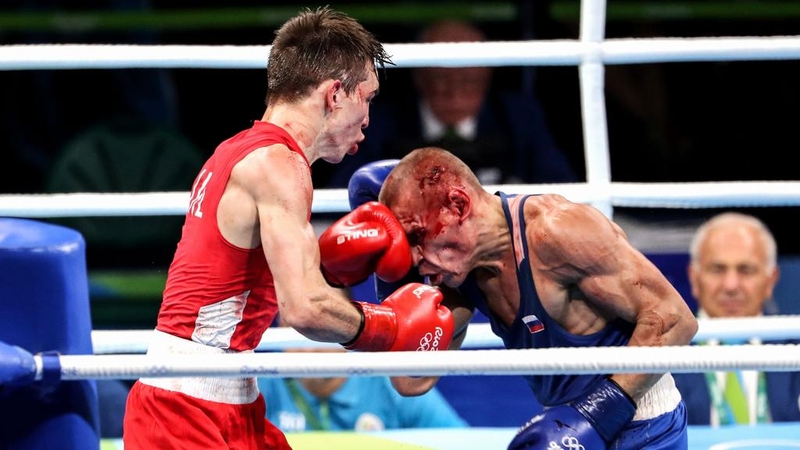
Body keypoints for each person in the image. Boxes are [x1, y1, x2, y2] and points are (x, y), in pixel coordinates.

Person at [122, 8, 455, 450]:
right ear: (335, 94)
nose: (369, 119)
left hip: (230, 396)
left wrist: (333, 271)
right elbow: (303, 308)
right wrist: (389, 326)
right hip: (186, 408)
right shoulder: (279, 165)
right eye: (367, 98)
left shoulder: (241, 150)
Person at [348, 149, 699, 449]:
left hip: (643, 423)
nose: (413, 257)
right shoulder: (459, 272)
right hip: (569, 428)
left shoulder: (558, 231)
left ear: (458, 205)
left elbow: (675, 319)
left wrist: (598, 412)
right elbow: (411, 380)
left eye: (417, 236)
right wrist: (392, 271)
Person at [323, 19, 578, 188]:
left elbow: (562, 188)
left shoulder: (518, 116)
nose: (455, 93)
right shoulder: (379, 121)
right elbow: (344, 193)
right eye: (442, 79)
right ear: (419, 77)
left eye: (468, 81)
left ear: (486, 77)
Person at [673, 212, 800, 425]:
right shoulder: (665, 350)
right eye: (717, 269)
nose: (731, 285)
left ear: (771, 280)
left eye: (746, 270)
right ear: (694, 278)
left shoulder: (794, 346)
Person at [257, 316, 467, 432]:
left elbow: (461, 442)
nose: (308, 349)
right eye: (294, 330)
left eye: (319, 332)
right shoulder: (260, 389)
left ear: (347, 331)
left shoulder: (389, 383)